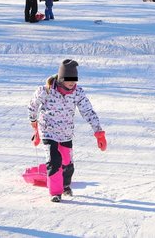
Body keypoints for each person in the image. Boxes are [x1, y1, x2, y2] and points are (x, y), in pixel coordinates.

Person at [28, 59, 106, 202]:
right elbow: (33, 105)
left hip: (66, 132)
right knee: (54, 161)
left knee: (67, 162)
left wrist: (98, 132)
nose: (72, 83)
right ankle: (55, 192)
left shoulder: (78, 93)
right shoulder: (46, 90)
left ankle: (65, 185)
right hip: (48, 130)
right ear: (61, 78)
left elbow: (88, 111)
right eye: (69, 79)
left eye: (74, 79)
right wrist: (33, 122)